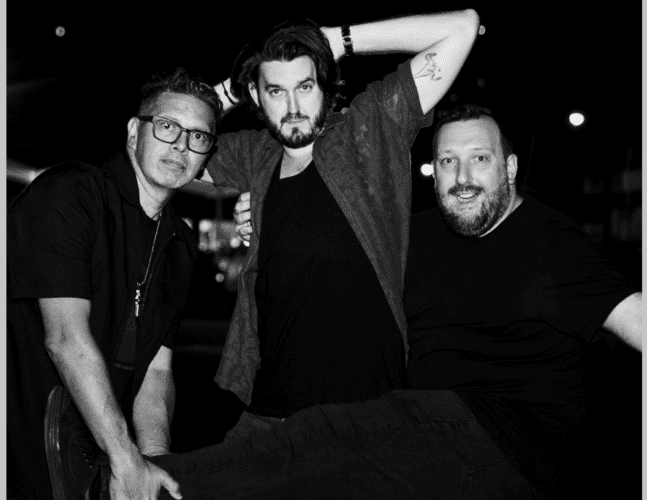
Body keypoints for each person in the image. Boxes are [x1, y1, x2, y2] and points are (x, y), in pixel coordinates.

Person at [230, 104, 641, 499]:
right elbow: (329, 246)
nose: (463, 178)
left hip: (515, 448)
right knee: (299, 441)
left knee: (321, 440)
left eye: (480, 158)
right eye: (448, 161)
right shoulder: (414, 237)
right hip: (423, 435)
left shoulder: (553, 244)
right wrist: (267, 211)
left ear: (511, 168)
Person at [199, 12, 481, 438]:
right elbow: (164, 144)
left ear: (325, 86)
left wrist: (337, 40)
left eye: (305, 86)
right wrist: (232, 88)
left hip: (367, 420)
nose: (293, 107)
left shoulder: (369, 130)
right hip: (269, 417)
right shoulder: (254, 155)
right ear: (256, 96)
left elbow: (462, 27)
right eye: (275, 91)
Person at [7, 67, 222, 500]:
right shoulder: (71, 194)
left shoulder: (179, 244)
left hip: (93, 462)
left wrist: (155, 464)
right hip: (19, 449)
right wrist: (127, 458)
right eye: (167, 126)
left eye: (198, 136)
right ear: (133, 132)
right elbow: (65, 339)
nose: (181, 145)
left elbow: (156, 374)